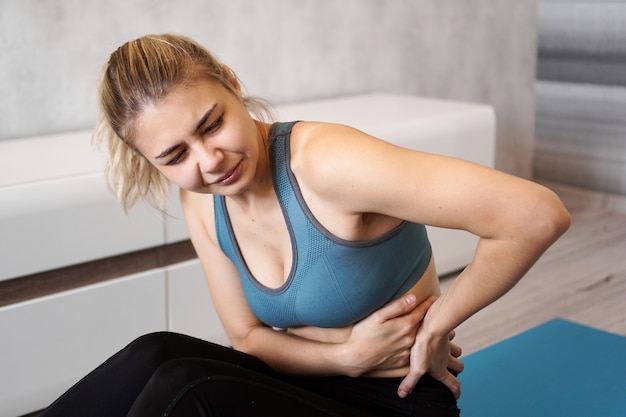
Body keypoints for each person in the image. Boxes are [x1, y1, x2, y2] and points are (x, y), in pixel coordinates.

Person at [40, 33, 570, 417]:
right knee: (154, 353)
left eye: (213, 124)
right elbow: (247, 338)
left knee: (186, 389)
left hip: (397, 402)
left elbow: (534, 216)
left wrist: (434, 329)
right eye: (175, 154)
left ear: (231, 83)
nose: (209, 161)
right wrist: (346, 357)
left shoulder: (326, 162)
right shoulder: (202, 198)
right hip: (309, 382)